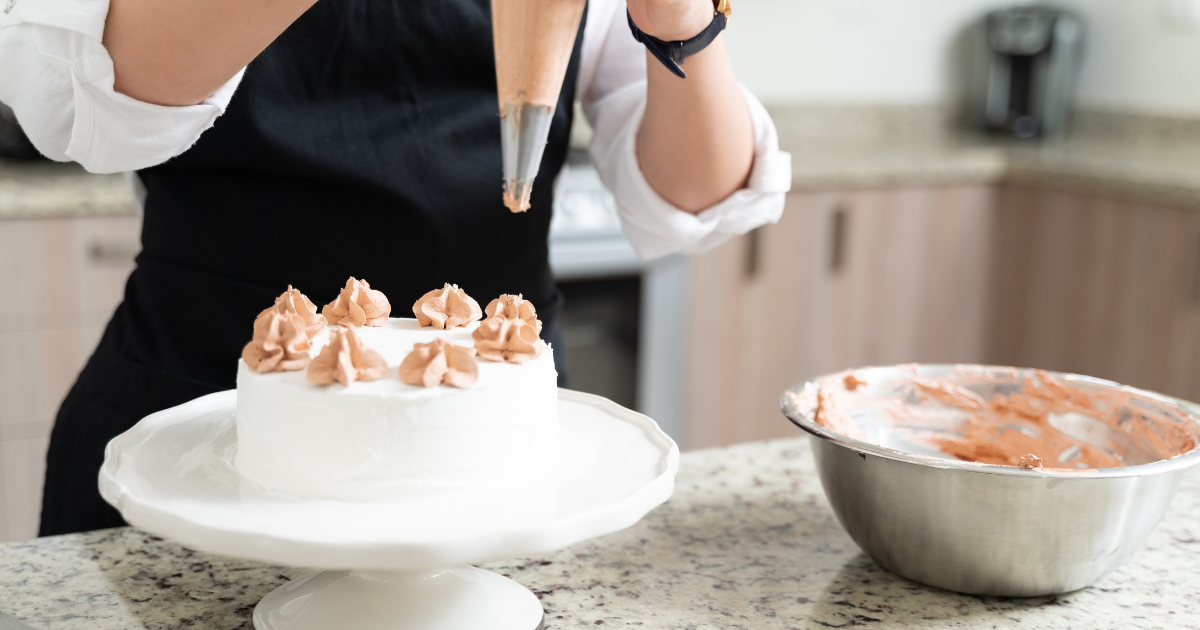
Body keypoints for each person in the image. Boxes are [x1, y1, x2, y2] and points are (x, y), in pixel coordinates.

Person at [0, 0, 791, 536]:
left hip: (492, 450)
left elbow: (696, 199)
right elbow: (91, 105)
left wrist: (680, 21)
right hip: (198, 415)